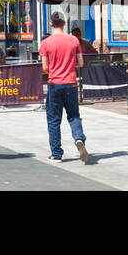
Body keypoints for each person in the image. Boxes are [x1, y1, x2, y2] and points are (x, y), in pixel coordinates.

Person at [41, 12, 89, 163]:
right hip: (71, 82)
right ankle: (79, 138)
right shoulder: (74, 40)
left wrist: (55, 67)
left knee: (54, 119)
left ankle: (56, 154)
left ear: (51, 24)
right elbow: (81, 63)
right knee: (74, 115)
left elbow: (44, 67)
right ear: (64, 23)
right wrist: (69, 65)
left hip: (55, 83)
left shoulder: (46, 43)